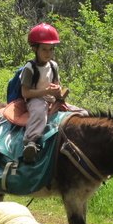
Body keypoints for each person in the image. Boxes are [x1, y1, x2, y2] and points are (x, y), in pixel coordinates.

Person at [19, 23, 87, 163]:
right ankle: (30, 142)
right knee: (39, 112)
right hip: (36, 99)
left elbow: (56, 84)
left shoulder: (53, 65)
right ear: (34, 49)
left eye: (51, 49)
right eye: (44, 49)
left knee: (83, 113)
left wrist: (57, 92)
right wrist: (47, 91)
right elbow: (25, 92)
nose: (48, 53)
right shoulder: (30, 68)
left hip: (52, 98)